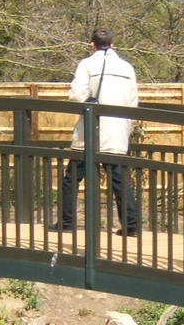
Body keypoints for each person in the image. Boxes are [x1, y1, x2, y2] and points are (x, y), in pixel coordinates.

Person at [50, 28, 140, 235]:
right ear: (113, 45)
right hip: (117, 130)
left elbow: (76, 96)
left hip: (91, 130)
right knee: (119, 178)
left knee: (72, 177)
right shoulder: (127, 67)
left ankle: (66, 221)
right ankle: (131, 225)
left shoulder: (87, 64)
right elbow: (133, 101)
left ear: (92, 45)